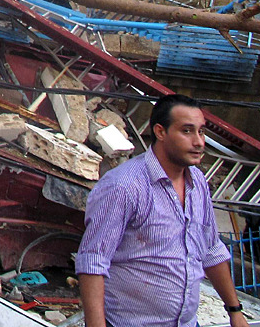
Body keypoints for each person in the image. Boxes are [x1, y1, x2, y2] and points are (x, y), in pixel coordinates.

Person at [76, 94, 249, 327]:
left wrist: (235, 311)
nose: (199, 142)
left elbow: (211, 249)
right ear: (160, 132)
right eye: (187, 131)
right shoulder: (123, 186)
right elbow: (93, 262)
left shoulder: (197, 182)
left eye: (201, 131)